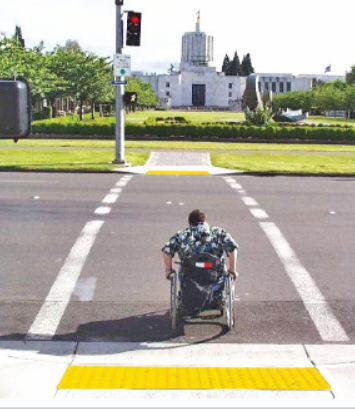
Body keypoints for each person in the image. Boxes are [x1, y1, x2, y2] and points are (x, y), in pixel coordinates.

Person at [162, 209, 238, 281]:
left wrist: (169, 270)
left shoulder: (181, 235)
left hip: (189, 279)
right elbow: (232, 248)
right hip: (214, 277)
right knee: (221, 262)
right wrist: (232, 270)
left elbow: (167, 251)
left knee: (183, 265)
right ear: (204, 220)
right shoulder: (218, 232)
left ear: (190, 223)